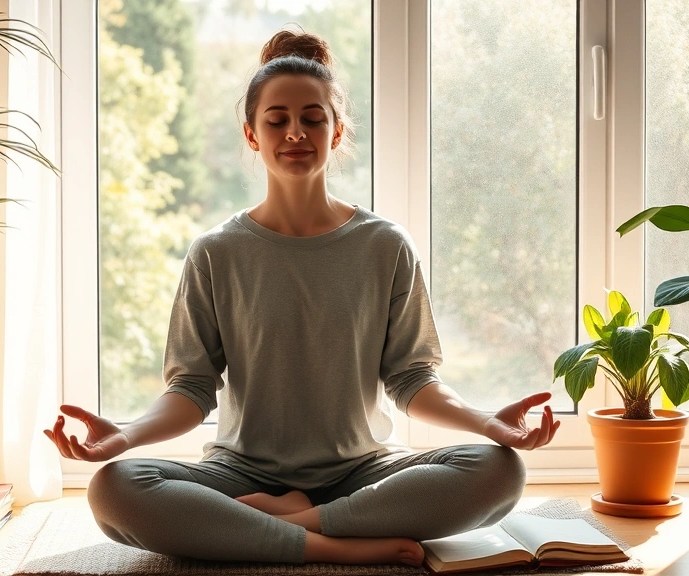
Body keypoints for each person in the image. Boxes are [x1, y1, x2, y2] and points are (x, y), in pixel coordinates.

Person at [45, 28, 559, 567]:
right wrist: (125, 438)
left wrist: (487, 423)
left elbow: (411, 379)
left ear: (337, 133)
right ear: (251, 134)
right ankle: (332, 544)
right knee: (115, 489)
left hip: (363, 473)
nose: (296, 133)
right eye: (277, 120)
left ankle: (288, 524)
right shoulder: (216, 252)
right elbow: (192, 389)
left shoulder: (385, 245)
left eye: (313, 118)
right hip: (240, 474)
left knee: (499, 472)